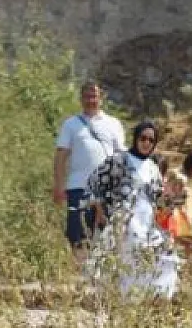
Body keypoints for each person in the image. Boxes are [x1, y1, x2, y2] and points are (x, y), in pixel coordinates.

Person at [86, 121, 178, 297]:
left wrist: (169, 201)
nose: (146, 143)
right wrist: (100, 210)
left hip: (148, 223)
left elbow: (158, 198)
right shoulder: (119, 160)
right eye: (143, 138)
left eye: (151, 140)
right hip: (125, 221)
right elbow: (94, 183)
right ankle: (125, 300)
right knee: (128, 263)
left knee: (166, 257)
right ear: (136, 138)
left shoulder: (153, 168)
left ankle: (152, 298)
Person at [52, 82, 125, 251]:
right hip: (78, 188)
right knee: (78, 238)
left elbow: (121, 157)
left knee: (107, 238)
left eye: (94, 96)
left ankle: (101, 268)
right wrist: (58, 186)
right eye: (87, 96)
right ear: (81, 99)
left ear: (101, 98)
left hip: (106, 189)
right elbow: (60, 157)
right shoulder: (71, 124)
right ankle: (80, 267)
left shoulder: (113, 124)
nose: (91, 100)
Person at [166, 150, 192, 245]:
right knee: (179, 239)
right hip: (179, 214)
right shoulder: (177, 177)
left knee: (191, 241)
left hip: (191, 213)